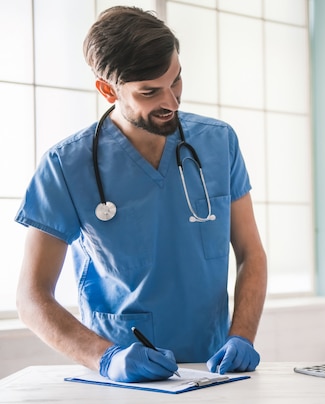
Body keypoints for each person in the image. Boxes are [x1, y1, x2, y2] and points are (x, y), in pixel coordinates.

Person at [14, 6, 267, 382]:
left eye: (176, 81)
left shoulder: (219, 142)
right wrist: (105, 359)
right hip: (120, 374)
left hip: (211, 367)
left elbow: (251, 253)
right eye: (150, 92)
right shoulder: (65, 165)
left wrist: (242, 335)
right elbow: (31, 298)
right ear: (107, 89)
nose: (172, 102)